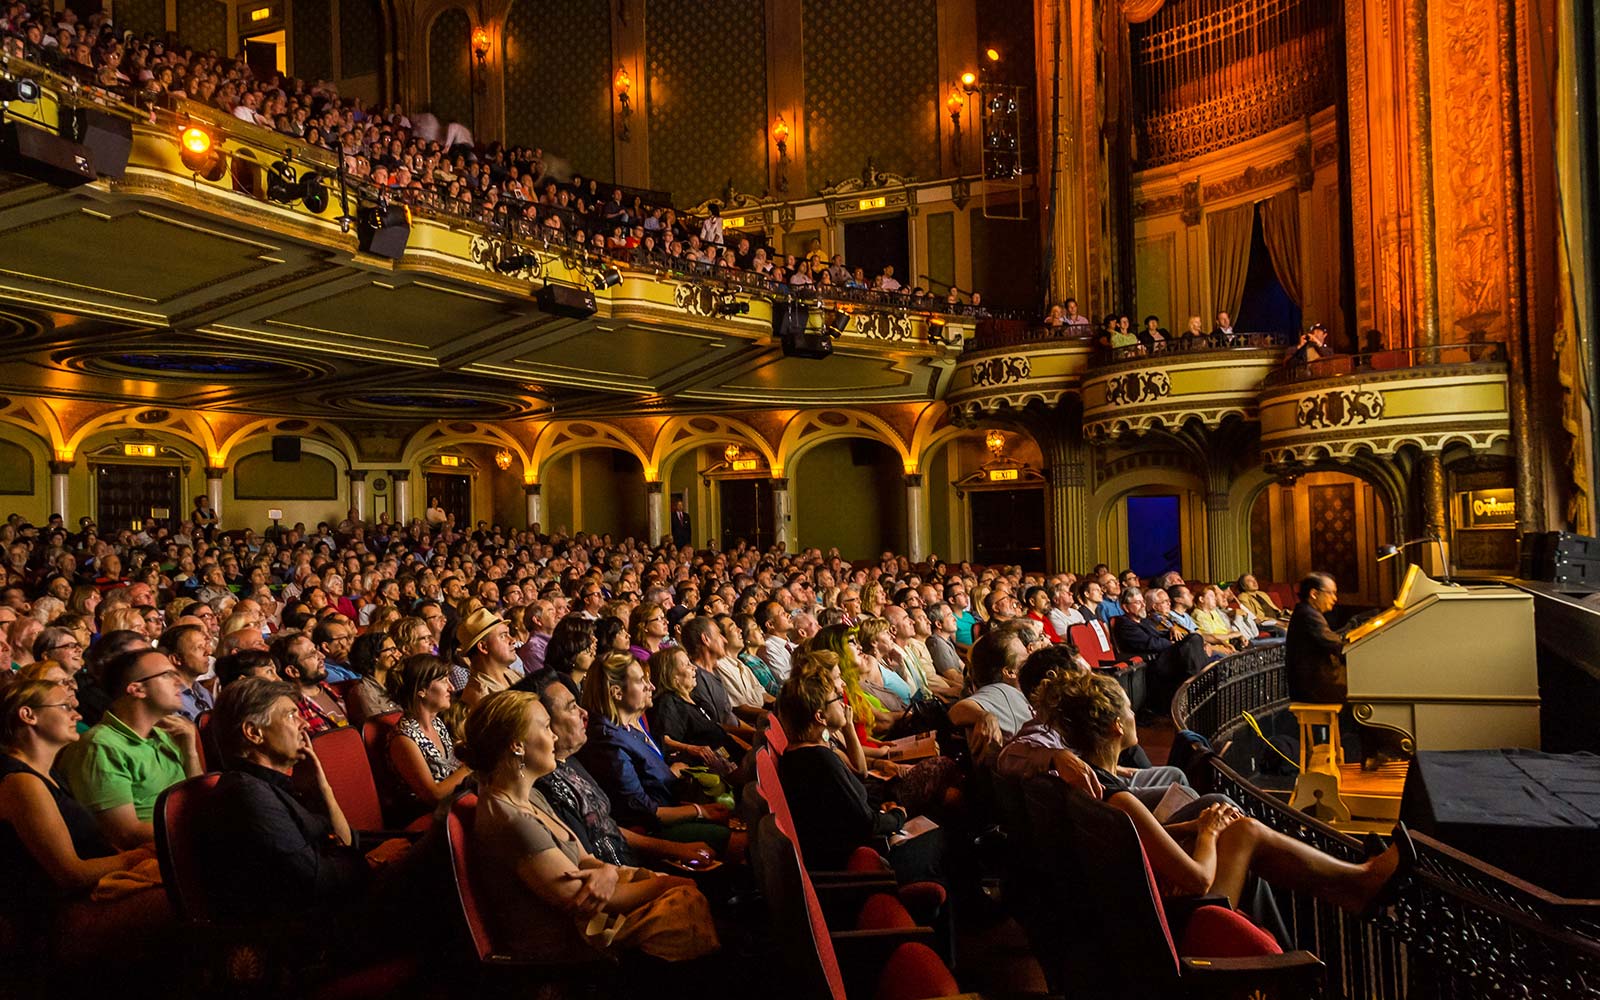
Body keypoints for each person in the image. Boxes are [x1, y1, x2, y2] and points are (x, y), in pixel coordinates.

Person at [1035, 669, 1407, 911]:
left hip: (1131, 906)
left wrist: (1192, 826)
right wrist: (1209, 833)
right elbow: (1197, 879)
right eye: (1130, 710)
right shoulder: (1120, 799)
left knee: (1239, 827)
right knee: (1245, 832)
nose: (1135, 715)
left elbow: (1138, 842)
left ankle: (1354, 882)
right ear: (1117, 726)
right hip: (1173, 917)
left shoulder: (1084, 782)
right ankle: (1358, 882)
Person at [462, 689, 718, 964]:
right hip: (571, 955)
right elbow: (588, 901)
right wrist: (666, 882)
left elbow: (585, 859)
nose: (554, 736)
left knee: (687, 898)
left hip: (594, 923)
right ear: (517, 745)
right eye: (546, 727)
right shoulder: (512, 821)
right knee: (686, 902)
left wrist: (609, 872)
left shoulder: (530, 795)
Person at [0, 679, 166, 951]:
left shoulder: (47, 774)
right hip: (56, 919)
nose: (77, 715)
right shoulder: (21, 783)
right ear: (28, 715)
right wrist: (138, 856)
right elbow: (70, 874)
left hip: (85, 899)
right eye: (66, 707)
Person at [195, 677, 368, 923]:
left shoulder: (282, 784)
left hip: (340, 906)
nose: (304, 724)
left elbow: (346, 842)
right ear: (254, 733)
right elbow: (316, 881)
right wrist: (372, 862)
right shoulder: (246, 794)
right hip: (308, 931)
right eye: (291, 715)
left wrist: (323, 790)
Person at [525, 668, 714, 868]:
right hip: (625, 865)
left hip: (633, 858)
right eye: (572, 707)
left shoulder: (570, 761)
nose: (584, 713)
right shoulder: (547, 783)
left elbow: (608, 827)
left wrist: (676, 848)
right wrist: (696, 813)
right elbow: (591, 861)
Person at [775, 665, 943, 884]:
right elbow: (866, 824)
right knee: (945, 832)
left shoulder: (801, 753)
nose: (844, 704)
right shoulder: (819, 760)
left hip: (857, 849)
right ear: (820, 716)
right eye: (837, 699)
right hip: (859, 864)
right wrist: (898, 816)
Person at [576, 652, 734, 853]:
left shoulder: (628, 728)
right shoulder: (608, 743)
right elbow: (643, 811)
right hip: (652, 832)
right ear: (617, 692)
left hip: (670, 810)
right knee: (737, 840)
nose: (651, 687)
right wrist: (699, 811)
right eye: (641, 681)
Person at [62, 646, 203, 848]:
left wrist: (190, 753)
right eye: (167, 675)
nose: (179, 681)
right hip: (158, 855)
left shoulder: (165, 734)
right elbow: (125, 833)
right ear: (137, 689)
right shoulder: (101, 746)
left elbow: (199, 798)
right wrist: (201, 830)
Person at [385, 654, 472, 809]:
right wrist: (472, 766)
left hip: (454, 801)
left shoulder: (436, 723)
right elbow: (434, 795)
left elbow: (452, 770)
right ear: (422, 691)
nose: (451, 688)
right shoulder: (403, 739)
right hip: (427, 814)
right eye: (443, 680)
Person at [646, 647, 739, 770]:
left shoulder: (695, 698)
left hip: (731, 758)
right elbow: (663, 739)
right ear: (672, 675)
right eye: (687, 665)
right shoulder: (668, 702)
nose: (694, 667)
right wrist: (690, 748)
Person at [1286, 573, 1346, 703]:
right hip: (1313, 688)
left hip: (1314, 683)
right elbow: (1335, 645)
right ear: (1314, 594)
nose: (1335, 598)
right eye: (1331, 593)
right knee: (1362, 693)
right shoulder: (1308, 615)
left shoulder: (1308, 611)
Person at [345, 630, 401, 727]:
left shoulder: (395, 682)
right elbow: (379, 726)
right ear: (375, 656)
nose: (399, 654)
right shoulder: (364, 691)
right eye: (392, 650)